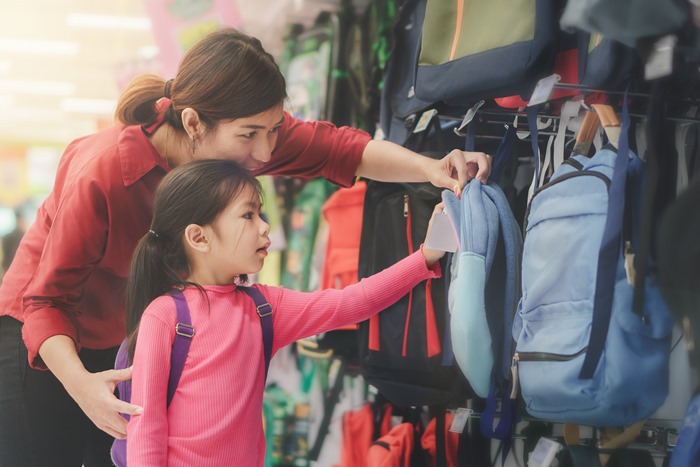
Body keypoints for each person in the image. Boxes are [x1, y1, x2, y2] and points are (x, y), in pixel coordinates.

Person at [0, 27, 490, 467]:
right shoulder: (105, 172)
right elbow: (45, 302)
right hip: (43, 341)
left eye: (273, 130)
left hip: (125, 336)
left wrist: (430, 169)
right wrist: (83, 386)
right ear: (193, 124)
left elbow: (339, 149)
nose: (264, 153)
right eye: (250, 135)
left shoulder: (243, 142)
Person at [124, 159, 446, 465]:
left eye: (261, 214)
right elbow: (146, 429)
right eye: (248, 216)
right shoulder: (165, 316)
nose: (265, 228)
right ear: (199, 237)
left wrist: (425, 257)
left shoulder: (264, 308)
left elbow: (353, 302)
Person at [1, 208, 26, 276]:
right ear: (21, 220)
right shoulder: (24, 236)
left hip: (8, 269)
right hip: (19, 269)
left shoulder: (6, 237)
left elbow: (5, 257)